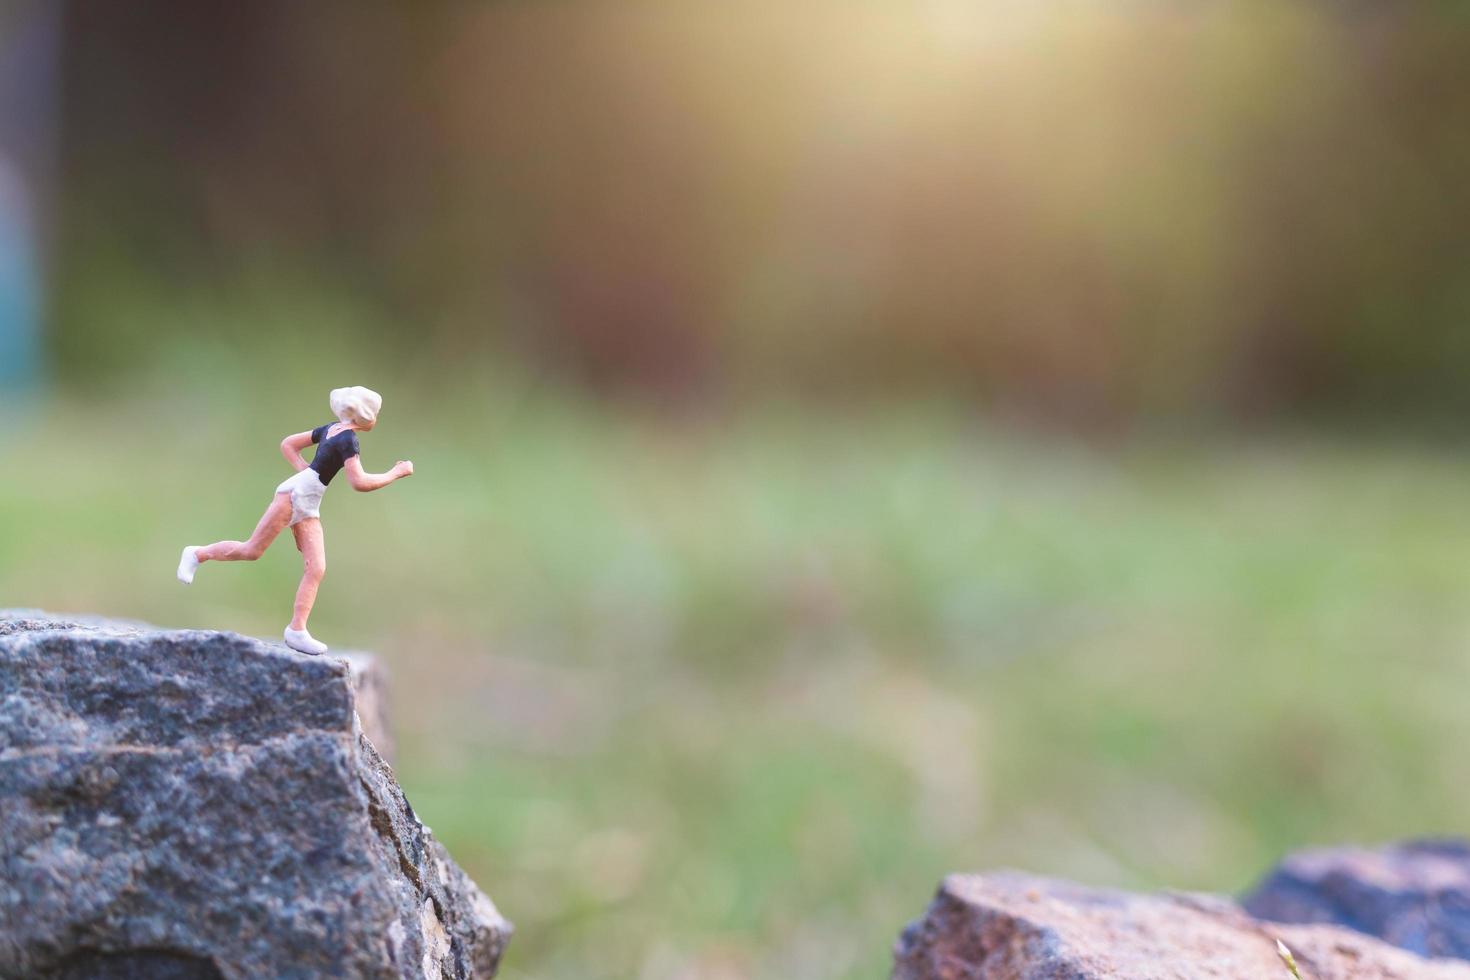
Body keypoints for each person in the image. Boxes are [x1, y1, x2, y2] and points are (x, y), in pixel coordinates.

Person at [176, 385, 413, 654]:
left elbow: (289, 444)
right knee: (252, 550)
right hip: (294, 496)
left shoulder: (330, 428)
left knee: (316, 567)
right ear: (365, 415)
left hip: (309, 500)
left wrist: (309, 474)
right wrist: (396, 473)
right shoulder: (347, 439)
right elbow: (358, 482)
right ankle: (197, 554)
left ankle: (297, 629)